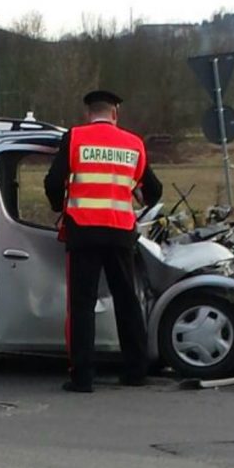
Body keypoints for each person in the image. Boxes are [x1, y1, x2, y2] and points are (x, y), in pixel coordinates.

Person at [44, 90, 163, 393]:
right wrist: (137, 197)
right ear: (115, 114)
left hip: (83, 231)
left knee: (82, 306)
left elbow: (53, 182)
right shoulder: (133, 144)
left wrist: (60, 207)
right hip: (121, 233)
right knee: (127, 301)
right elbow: (154, 190)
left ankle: (82, 377)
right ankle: (136, 371)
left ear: (88, 114)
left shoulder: (75, 138)